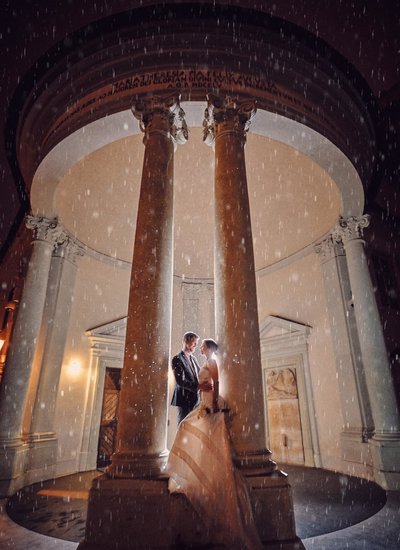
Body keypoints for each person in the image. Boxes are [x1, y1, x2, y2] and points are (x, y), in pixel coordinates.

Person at [166, 338, 263, 549]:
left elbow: (216, 382)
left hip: (211, 403)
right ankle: (194, 470)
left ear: (208, 348)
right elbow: (198, 382)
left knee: (189, 429)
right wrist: (202, 392)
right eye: (196, 344)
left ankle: (202, 474)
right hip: (204, 402)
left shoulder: (211, 361)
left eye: (202, 346)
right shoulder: (197, 361)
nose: (199, 348)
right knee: (189, 429)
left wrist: (215, 401)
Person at [170, 331, 212, 425]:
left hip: (195, 398)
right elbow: (180, 381)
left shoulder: (194, 359)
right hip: (184, 399)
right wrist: (198, 386)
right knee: (183, 425)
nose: (196, 345)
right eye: (194, 343)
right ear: (186, 341)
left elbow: (200, 373)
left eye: (197, 343)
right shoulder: (177, 359)